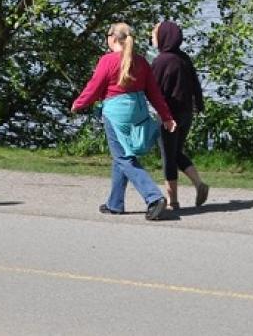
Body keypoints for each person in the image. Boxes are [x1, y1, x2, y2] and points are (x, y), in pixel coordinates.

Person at [72, 22, 177, 221]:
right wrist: (166, 117)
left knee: (123, 157)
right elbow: (154, 93)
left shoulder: (108, 60)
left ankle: (153, 197)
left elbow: (94, 86)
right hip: (137, 110)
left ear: (113, 38)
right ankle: (115, 203)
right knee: (120, 155)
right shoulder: (141, 61)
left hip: (117, 112)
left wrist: (79, 103)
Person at [151, 20, 210, 210]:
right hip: (186, 114)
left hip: (169, 116)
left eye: (154, 33)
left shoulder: (161, 61)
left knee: (168, 156)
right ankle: (199, 183)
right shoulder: (184, 58)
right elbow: (196, 85)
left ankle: (172, 200)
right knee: (176, 153)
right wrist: (199, 105)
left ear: (164, 37)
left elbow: (153, 89)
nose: (152, 36)